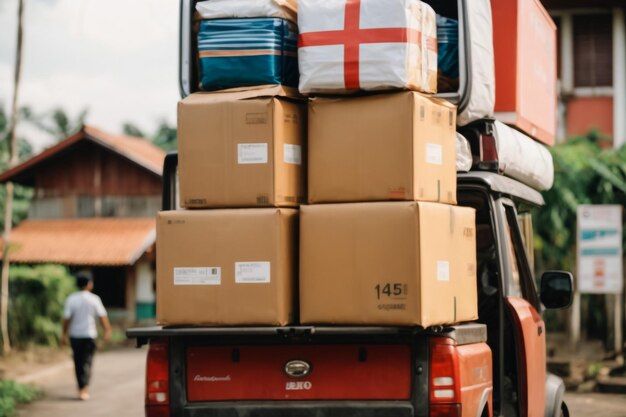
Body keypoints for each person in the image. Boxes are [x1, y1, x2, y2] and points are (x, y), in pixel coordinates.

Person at [61, 273, 112, 401]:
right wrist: (107, 331)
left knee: (78, 362)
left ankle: (82, 388)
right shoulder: (94, 299)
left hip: (75, 336)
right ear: (89, 284)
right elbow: (102, 317)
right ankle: (84, 387)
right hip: (90, 335)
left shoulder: (71, 299)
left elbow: (66, 319)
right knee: (87, 361)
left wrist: (64, 335)